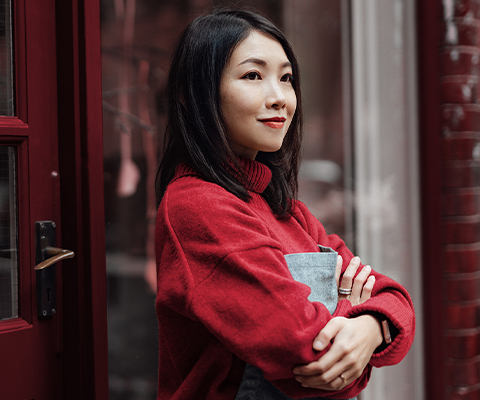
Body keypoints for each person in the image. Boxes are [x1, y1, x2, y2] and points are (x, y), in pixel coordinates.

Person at [153, 9, 415, 400]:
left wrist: (370, 328)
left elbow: (396, 299)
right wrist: (352, 316)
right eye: (253, 76)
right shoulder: (198, 207)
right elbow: (308, 355)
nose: (279, 98)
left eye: (286, 78)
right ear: (192, 95)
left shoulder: (289, 212)